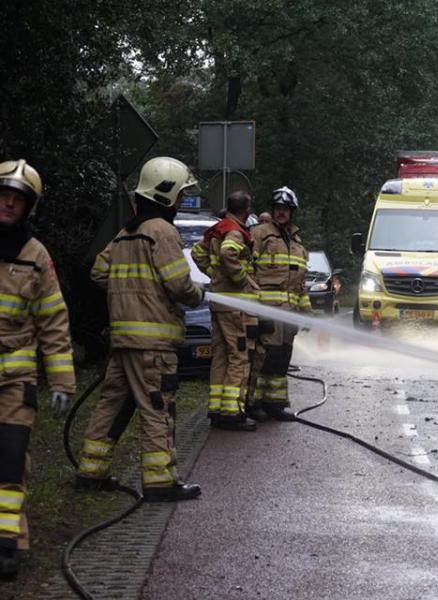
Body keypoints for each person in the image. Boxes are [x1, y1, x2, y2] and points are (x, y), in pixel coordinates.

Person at [77, 157, 205, 503]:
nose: (181, 202)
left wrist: (129, 293)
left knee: (111, 403)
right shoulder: (162, 232)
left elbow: (99, 273)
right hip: (154, 345)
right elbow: (179, 285)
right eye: (180, 194)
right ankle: (160, 481)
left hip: (123, 342)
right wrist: (199, 295)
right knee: (157, 407)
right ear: (166, 195)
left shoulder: (124, 235)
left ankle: (92, 471)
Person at [0, 160, 75, 579]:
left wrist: (62, 381)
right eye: (3, 195)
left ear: (29, 207)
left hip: (15, 381)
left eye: (18, 198)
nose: (8, 203)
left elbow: (53, 322)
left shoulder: (35, 257)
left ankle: (6, 544)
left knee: (9, 463)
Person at [191, 191, 259, 431]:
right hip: (234, 305)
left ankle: (216, 408)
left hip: (220, 303)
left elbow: (197, 252)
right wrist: (240, 279)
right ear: (246, 210)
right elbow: (228, 252)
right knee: (238, 356)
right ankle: (232, 412)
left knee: (220, 356)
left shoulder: (218, 228)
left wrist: (214, 275)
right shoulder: (234, 231)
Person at [247, 187, 311, 422]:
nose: (281, 212)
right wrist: (254, 307)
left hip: (290, 313)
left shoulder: (296, 241)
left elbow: (300, 284)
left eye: (285, 209)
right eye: (278, 208)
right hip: (268, 309)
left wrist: (307, 313)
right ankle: (253, 403)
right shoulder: (259, 234)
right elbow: (247, 270)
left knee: (283, 357)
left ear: (292, 212)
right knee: (264, 357)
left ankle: (275, 403)